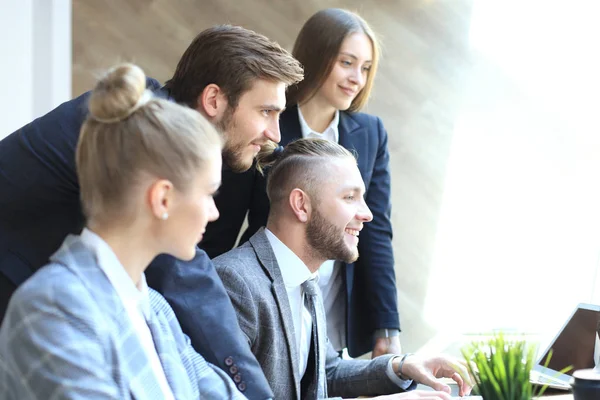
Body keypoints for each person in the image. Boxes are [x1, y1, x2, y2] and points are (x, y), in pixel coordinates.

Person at [0, 25, 302, 399]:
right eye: (267, 111)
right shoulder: (139, 134)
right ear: (213, 100)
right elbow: (189, 280)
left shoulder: (150, 305)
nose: (276, 133)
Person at [200, 8, 401, 359]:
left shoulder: (371, 134)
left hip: (335, 302)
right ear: (318, 56)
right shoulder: (265, 127)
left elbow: (377, 231)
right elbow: (225, 223)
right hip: (269, 294)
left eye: (365, 68)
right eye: (347, 62)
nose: (357, 77)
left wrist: (387, 327)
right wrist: (206, 304)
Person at [213, 138, 472, 400]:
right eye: (350, 197)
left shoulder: (305, 281)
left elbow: (324, 373)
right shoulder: (232, 283)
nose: (367, 213)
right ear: (301, 205)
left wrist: (403, 366)